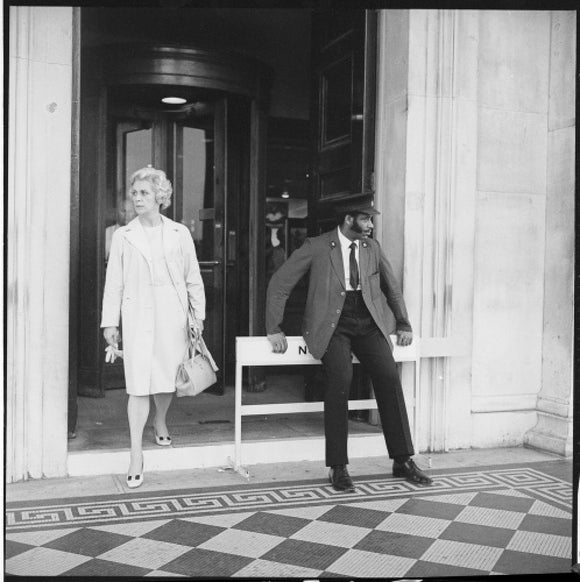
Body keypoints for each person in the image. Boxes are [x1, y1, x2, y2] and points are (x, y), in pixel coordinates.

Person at [266, 197, 432, 491]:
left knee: (389, 377)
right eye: (366, 219)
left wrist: (404, 322)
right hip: (332, 325)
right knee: (340, 380)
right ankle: (338, 467)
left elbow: (390, 287)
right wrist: (273, 328)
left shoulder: (372, 248)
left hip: (368, 322)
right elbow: (280, 283)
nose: (371, 225)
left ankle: (402, 459)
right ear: (347, 219)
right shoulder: (317, 246)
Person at [101, 166, 205, 488]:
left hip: (172, 317)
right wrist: (110, 322)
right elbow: (113, 283)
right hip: (136, 317)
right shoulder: (123, 235)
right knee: (137, 384)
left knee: (164, 378)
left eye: (144, 193)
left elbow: (193, 277)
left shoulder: (179, 233)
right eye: (134, 193)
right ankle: (135, 454)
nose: (137, 198)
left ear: (160, 197)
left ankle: (159, 419)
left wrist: (197, 317)